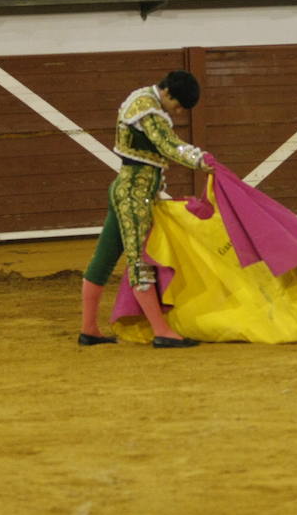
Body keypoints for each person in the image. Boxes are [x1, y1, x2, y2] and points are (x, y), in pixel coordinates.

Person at [79, 70, 212, 348]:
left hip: (130, 189)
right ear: (167, 93)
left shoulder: (143, 100)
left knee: (103, 260)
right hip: (135, 194)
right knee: (140, 262)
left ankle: (89, 329)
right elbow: (167, 143)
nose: (176, 112)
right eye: (177, 106)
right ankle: (161, 331)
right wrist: (199, 159)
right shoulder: (147, 108)